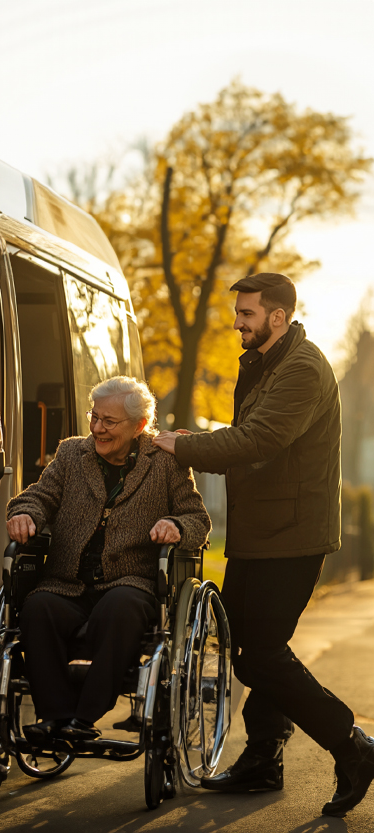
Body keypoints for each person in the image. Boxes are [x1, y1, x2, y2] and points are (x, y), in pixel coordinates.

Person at [153, 272, 374, 818]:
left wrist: (181, 446)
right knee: (243, 648)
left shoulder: (303, 368)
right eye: (238, 313)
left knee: (262, 654)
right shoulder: (263, 363)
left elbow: (259, 438)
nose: (237, 323)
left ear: (278, 316)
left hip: (293, 536)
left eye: (247, 314)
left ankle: (352, 746)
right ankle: (263, 757)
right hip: (258, 532)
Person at [6, 375, 210, 743]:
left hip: (129, 583)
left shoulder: (165, 462)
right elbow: (38, 496)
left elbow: (198, 519)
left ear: (140, 426)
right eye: (94, 417)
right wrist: (26, 514)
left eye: (109, 422)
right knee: (37, 608)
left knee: (119, 608)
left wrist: (175, 524)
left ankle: (84, 718)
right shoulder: (72, 453)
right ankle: (55, 716)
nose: (97, 428)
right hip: (67, 583)